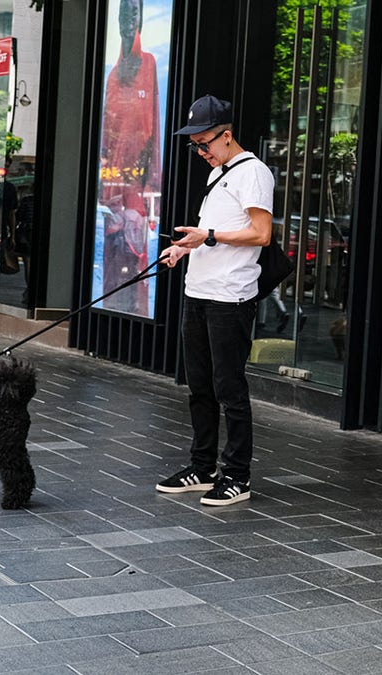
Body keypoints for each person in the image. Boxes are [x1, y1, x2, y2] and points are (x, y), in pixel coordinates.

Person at [155, 94, 273, 506]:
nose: (200, 151)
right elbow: (214, 231)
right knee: (199, 387)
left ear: (227, 135)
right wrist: (185, 248)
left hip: (230, 297)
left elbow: (262, 234)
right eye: (195, 145)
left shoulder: (253, 173)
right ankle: (202, 467)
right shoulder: (218, 173)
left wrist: (208, 237)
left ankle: (237, 475)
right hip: (198, 291)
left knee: (229, 389)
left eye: (205, 142)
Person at [99, 0, 161, 315]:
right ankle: (109, 309)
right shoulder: (111, 76)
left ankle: (135, 312)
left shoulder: (148, 65)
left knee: (137, 259)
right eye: (124, 11)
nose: (128, 18)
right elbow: (104, 145)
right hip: (113, 190)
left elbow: (155, 133)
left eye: (134, 12)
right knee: (112, 259)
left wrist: (152, 198)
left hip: (137, 190)